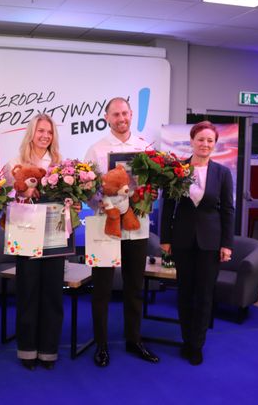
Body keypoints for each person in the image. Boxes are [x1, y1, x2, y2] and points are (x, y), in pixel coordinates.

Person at [84, 97, 159, 367]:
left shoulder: (145, 148)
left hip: (137, 227)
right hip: (106, 225)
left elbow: (154, 186)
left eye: (125, 113)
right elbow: (86, 189)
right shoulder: (96, 150)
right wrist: (103, 204)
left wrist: (149, 195)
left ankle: (134, 339)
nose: (121, 118)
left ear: (131, 114)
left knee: (134, 286)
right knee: (102, 288)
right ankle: (101, 344)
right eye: (115, 114)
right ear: (107, 118)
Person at [160, 121, 234, 365]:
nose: (205, 144)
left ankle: (197, 344)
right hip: (182, 240)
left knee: (204, 294)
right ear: (191, 141)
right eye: (200, 139)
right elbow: (168, 206)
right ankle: (186, 339)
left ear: (215, 144)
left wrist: (227, 244)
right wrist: (165, 238)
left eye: (210, 140)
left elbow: (228, 210)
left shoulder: (222, 173)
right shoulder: (177, 170)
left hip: (211, 242)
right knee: (185, 292)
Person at [4, 114, 70, 370]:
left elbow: (70, 197)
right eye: (41, 131)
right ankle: (27, 349)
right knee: (28, 292)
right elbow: (4, 197)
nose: (45, 136)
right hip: (26, 234)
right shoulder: (15, 163)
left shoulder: (61, 165)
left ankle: (48, 350)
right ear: (31, 133)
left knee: (53, 293)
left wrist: (72, 203)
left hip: (54, 235)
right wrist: (21, 193)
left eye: (49, 132)